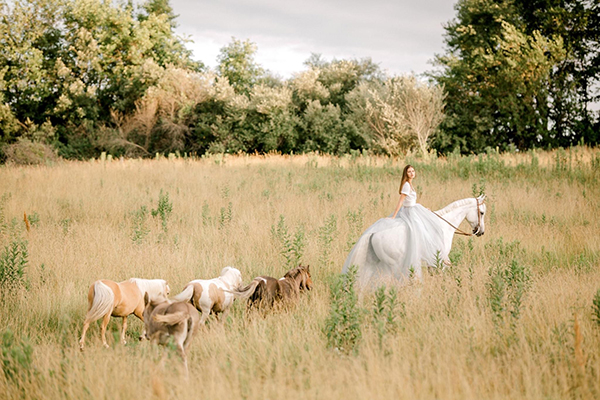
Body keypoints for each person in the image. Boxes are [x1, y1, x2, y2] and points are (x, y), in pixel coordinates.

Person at [342, 164, 445, 286]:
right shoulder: (406, 185)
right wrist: (394, 215)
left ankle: (432, 257)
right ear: (406, 174)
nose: (412, 173)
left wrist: (423, 208)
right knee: (419, 229)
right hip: (409, 211)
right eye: (409, 172)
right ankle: (430, 257)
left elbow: (412, 201)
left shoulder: (411, 184)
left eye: (413, 171)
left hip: (414, 208)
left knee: (426, 225)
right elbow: (401, 201)